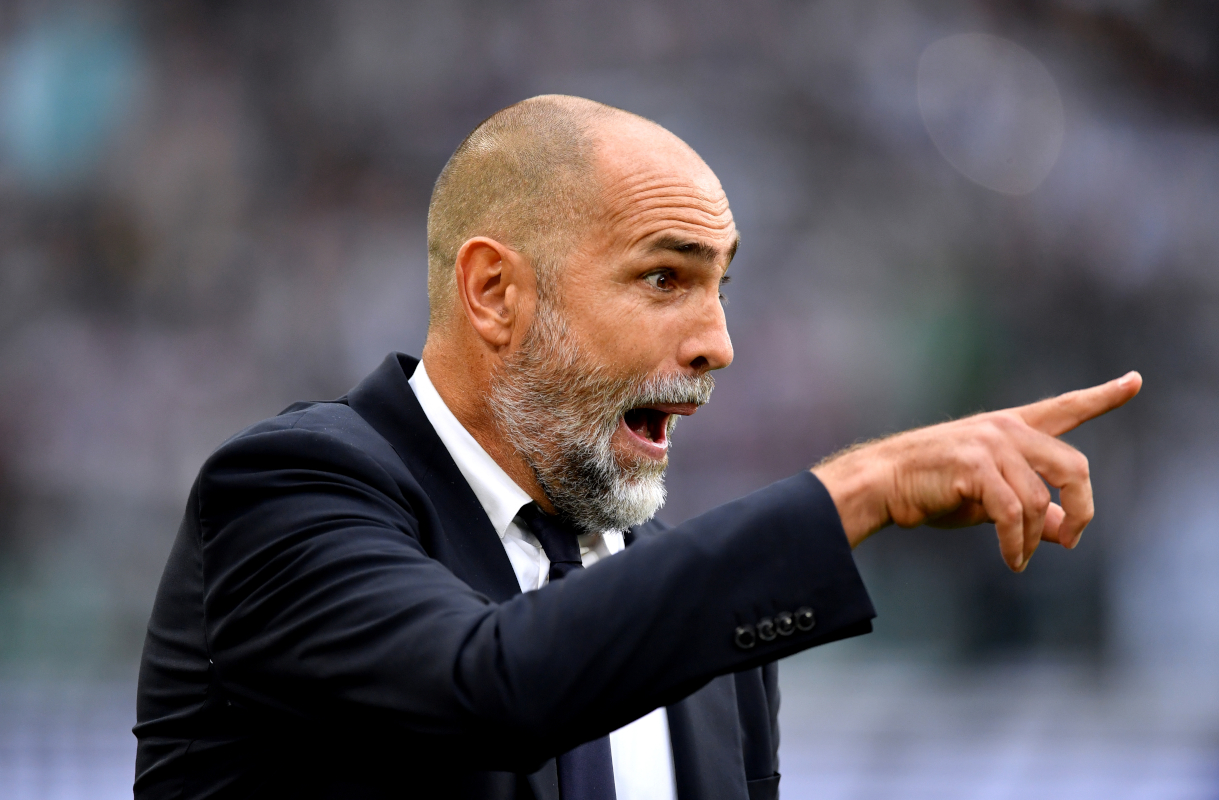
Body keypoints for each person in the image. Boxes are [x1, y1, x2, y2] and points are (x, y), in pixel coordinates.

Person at [133, 95, 1141, 800]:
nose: (717, 343)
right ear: (494, 292)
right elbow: (490, 684)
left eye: (720, 286)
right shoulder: (287, 490)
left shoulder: (692, 616)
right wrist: (862, 486)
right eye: (664, 278)